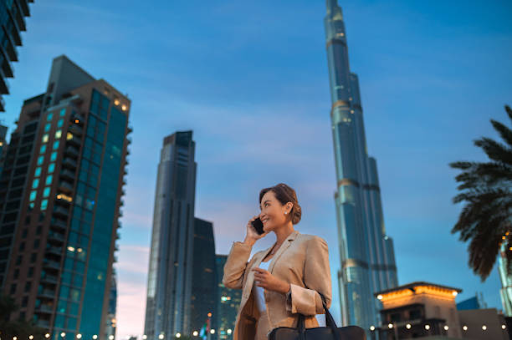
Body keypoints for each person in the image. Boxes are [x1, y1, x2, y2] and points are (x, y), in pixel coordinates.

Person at [223, 183, 332, 340]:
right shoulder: (258, 257)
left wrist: (281, 287)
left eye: (267, 205)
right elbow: (230, 280)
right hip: (259, 334)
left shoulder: (310, 243)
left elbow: (323, 302)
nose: (262, 214)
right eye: (260, 208)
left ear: (287, 207)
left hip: (296, 334)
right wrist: (249, 240)